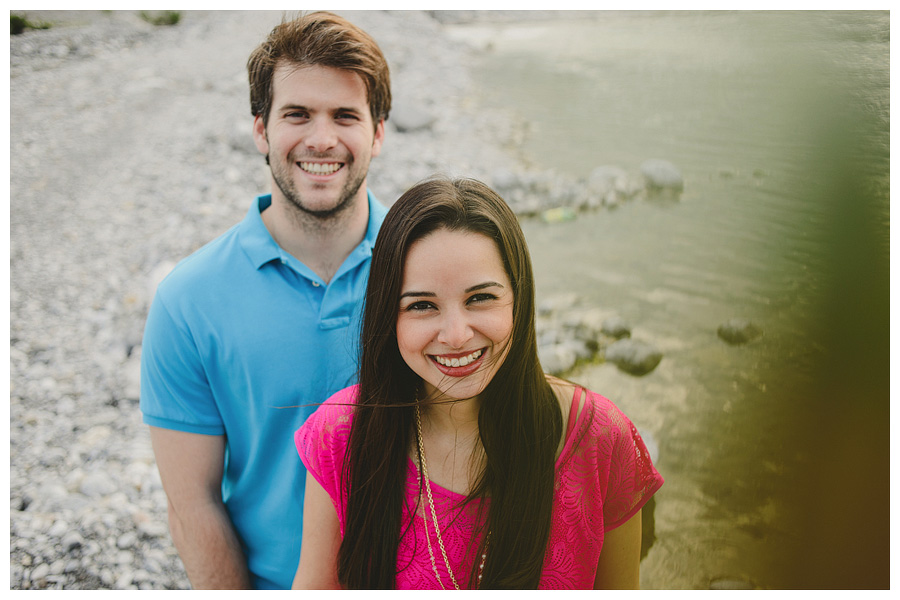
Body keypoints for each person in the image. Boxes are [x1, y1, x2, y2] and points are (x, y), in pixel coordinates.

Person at [292, 177, 664, 589]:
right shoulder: (341, 434)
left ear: (519, 298)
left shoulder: (601, 439)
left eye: (480, 298)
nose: (456, 335)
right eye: (421, 305)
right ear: (388, 316)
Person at [139, 12, 391, 589]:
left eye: (345, 115)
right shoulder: (189, 301)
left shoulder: (428, 275)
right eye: (297, 114)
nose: (321, 139)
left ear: (378, 133)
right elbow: (193, 505)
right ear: (261, 129)